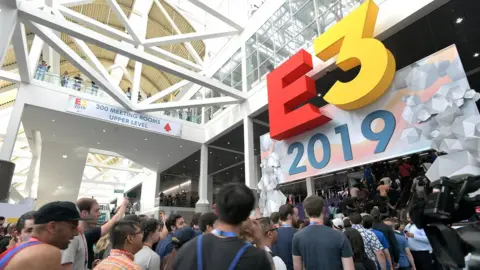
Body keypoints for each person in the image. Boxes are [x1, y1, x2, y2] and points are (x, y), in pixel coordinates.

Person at [172, 183, 272, 270]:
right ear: (247, 216)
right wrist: (260, 242)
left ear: (216, 210)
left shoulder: (186, 250)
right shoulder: (256, 258)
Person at [0, 201, 81, 270]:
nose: (76, 233)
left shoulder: (23, 248)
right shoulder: (46, 253)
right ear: (52, 227)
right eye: (72, 227)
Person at [292, 195, 354, 270]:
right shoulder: (340, 236)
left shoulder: (297, 237)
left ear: (306, 212)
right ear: (323, 209)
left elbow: (297, 267)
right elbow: (349, 268)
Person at [77, 197, 129, 269]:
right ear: (84, 213)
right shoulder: (85, 235)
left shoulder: (82, 235)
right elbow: (114, 221)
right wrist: (124, 205)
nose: (99, 214)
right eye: (96, 211)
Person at [272, 204, 298, 270]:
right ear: (289, 216)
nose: (298, 218)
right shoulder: (298, 234)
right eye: (296, 215)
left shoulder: (273, 234)